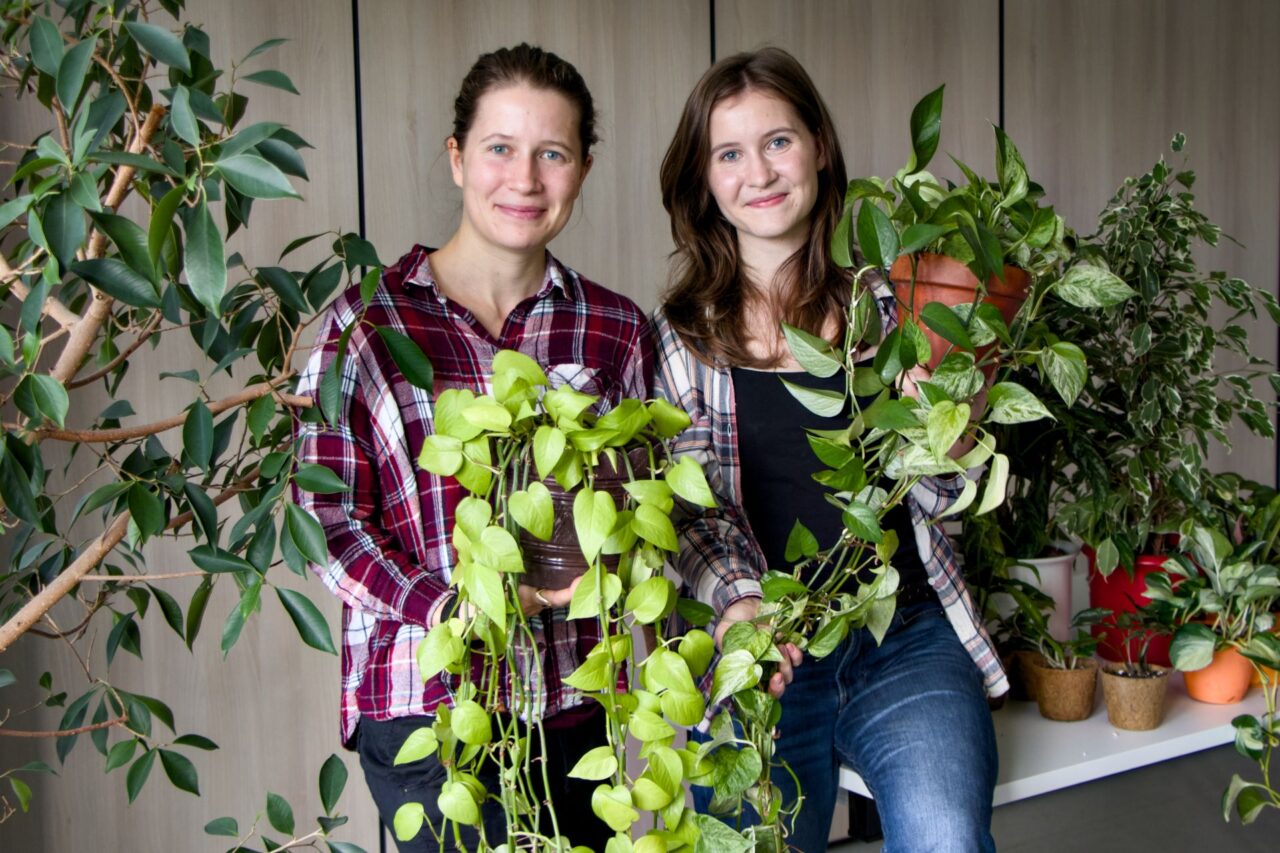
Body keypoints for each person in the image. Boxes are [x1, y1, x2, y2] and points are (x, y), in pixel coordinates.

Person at [295, 44, 649, 852]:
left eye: (552, 153)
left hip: (572, 702)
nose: (524, 179)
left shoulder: (615, 328)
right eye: (500, 148)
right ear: (457, 159)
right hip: (428, 704)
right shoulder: (366, 325)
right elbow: (323, 521)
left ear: (583, 169)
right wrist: (451, 604)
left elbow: (638, 502)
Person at [653, 47, 1008, 852]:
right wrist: (745, 604)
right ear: (704, 179)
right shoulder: (682, 339)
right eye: (730, 153)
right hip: (770, 647)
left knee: (948, 837)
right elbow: (688, 511)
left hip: (905, 642)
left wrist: (955, 428)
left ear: (817, 145)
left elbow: (958, 503)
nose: (760, 171)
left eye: (779, 141)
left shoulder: (894, 306)